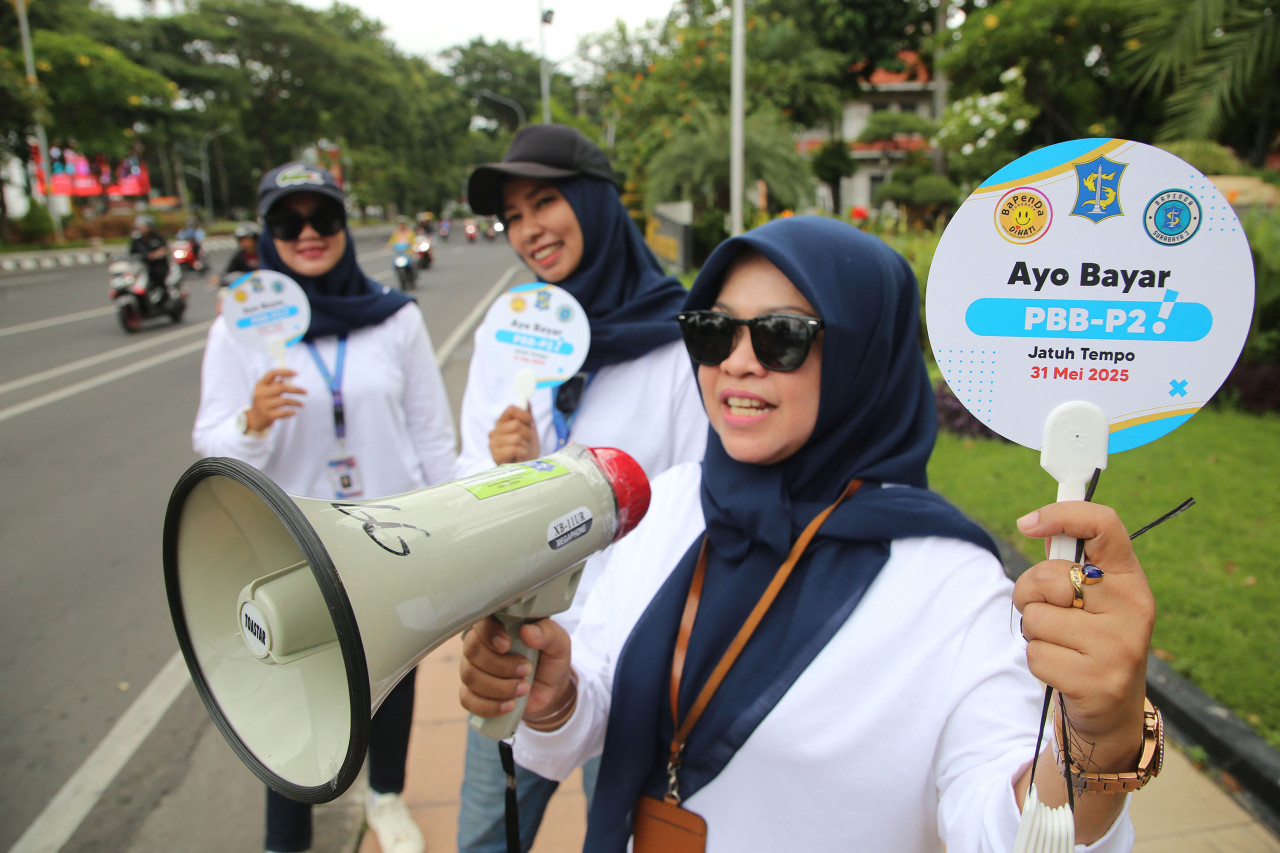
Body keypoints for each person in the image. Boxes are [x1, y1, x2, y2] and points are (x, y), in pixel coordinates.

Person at [460, 215, 1160, 851]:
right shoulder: (675, 506)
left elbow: (1001, 830)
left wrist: (1096, 743)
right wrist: (557, 694)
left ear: (863, 359)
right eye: (713, 329)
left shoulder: (953, 586)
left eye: (782, 336)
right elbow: (601, 700)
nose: (736, 359)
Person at [455, 123, 709, 853]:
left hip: (630, 656)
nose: (529, 230)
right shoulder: (507, 336)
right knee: (484, 837)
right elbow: (463, 479)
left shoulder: (679, 343)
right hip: (514, 641)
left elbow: (695, 506)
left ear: (595, 202)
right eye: (512, 217)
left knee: (618, 835)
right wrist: (504, 472)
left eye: (544, 202)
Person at [192, 162, 458, 853]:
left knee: (394, 671)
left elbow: (431, 432)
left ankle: (386, 794)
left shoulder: (396, 317)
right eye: (289, 222)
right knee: (298, 689)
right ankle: (288, 838)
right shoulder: (240, 330)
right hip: (293, 541)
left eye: (323, 219)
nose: (308, 234)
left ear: (343, 226)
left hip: (392, 534)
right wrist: (250, 422)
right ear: (267, 234)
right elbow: (210, 443)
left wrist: (454, 528)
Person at [128, 214, 171, 302]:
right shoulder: (137, 241)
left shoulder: (158, 238)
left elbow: (164, 250)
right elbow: (130, 253)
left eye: (144, 226)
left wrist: (156, 255)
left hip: (157, 268)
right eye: (140, 226)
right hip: (142, 268)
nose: (142, 229)